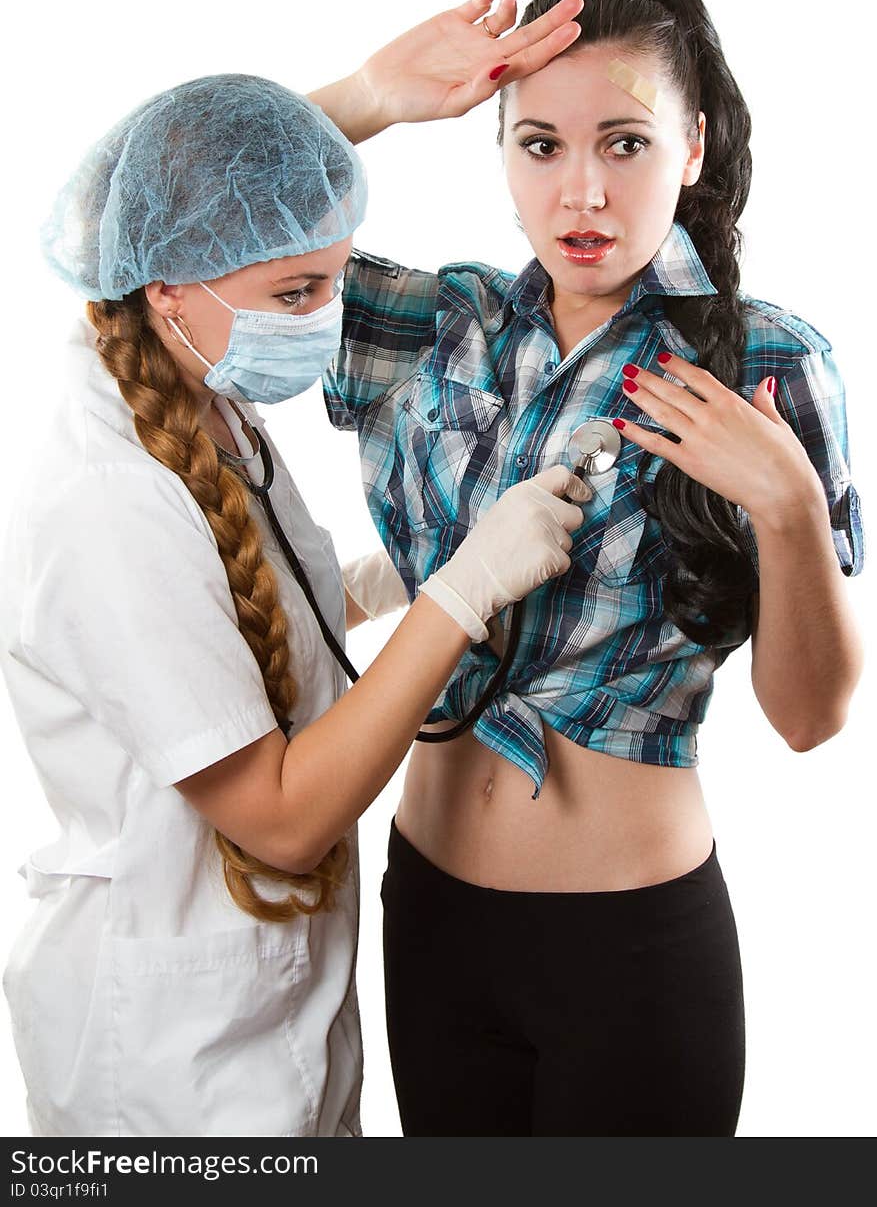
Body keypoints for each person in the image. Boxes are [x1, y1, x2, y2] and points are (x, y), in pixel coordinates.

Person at [311, 0, 866, 1135]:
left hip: (632, 951)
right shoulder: (439, 326)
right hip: (431, 920)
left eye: (624, 143)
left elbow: (811, 719)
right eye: (540, 144)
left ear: (695, 146)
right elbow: (164, 250)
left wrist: (784, 510)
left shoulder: (768, 364)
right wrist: (362, 101)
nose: (583, 195)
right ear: (499, 147)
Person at [0, 69, 593, 1137]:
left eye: (330, 282)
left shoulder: (186, 365)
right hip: (173, 1069)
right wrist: (463, 589)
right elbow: (281, 817)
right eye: (296, 295)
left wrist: (376, 91)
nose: (326, 320)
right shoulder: (107, 497)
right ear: (169, 283)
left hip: (278, 1022)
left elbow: (183, 199)